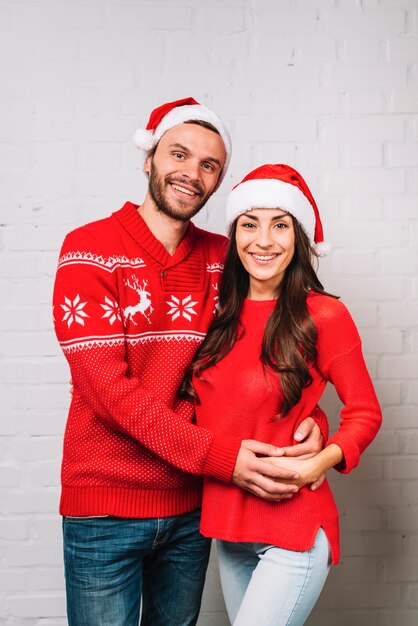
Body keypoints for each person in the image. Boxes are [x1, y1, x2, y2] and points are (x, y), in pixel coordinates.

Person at [53, 100, 327, 626]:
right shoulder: (88, 250)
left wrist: (309, 422)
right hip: (104, 509)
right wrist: (222, 458)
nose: (192, 173)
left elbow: (265, 363)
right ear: (149, 158)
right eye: (179, 154)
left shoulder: (226, 259)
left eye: (210, 166)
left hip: (191, 508)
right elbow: (112, 393)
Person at [183, 163, 382, 625]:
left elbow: (365, 412)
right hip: (230, 530)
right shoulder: (216, 315)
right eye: (249, 225)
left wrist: (319, 460)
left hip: (293, 529)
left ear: (299, 238)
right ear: (234, 235)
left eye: (280, 225)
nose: (263, 240)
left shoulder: (324, 315)